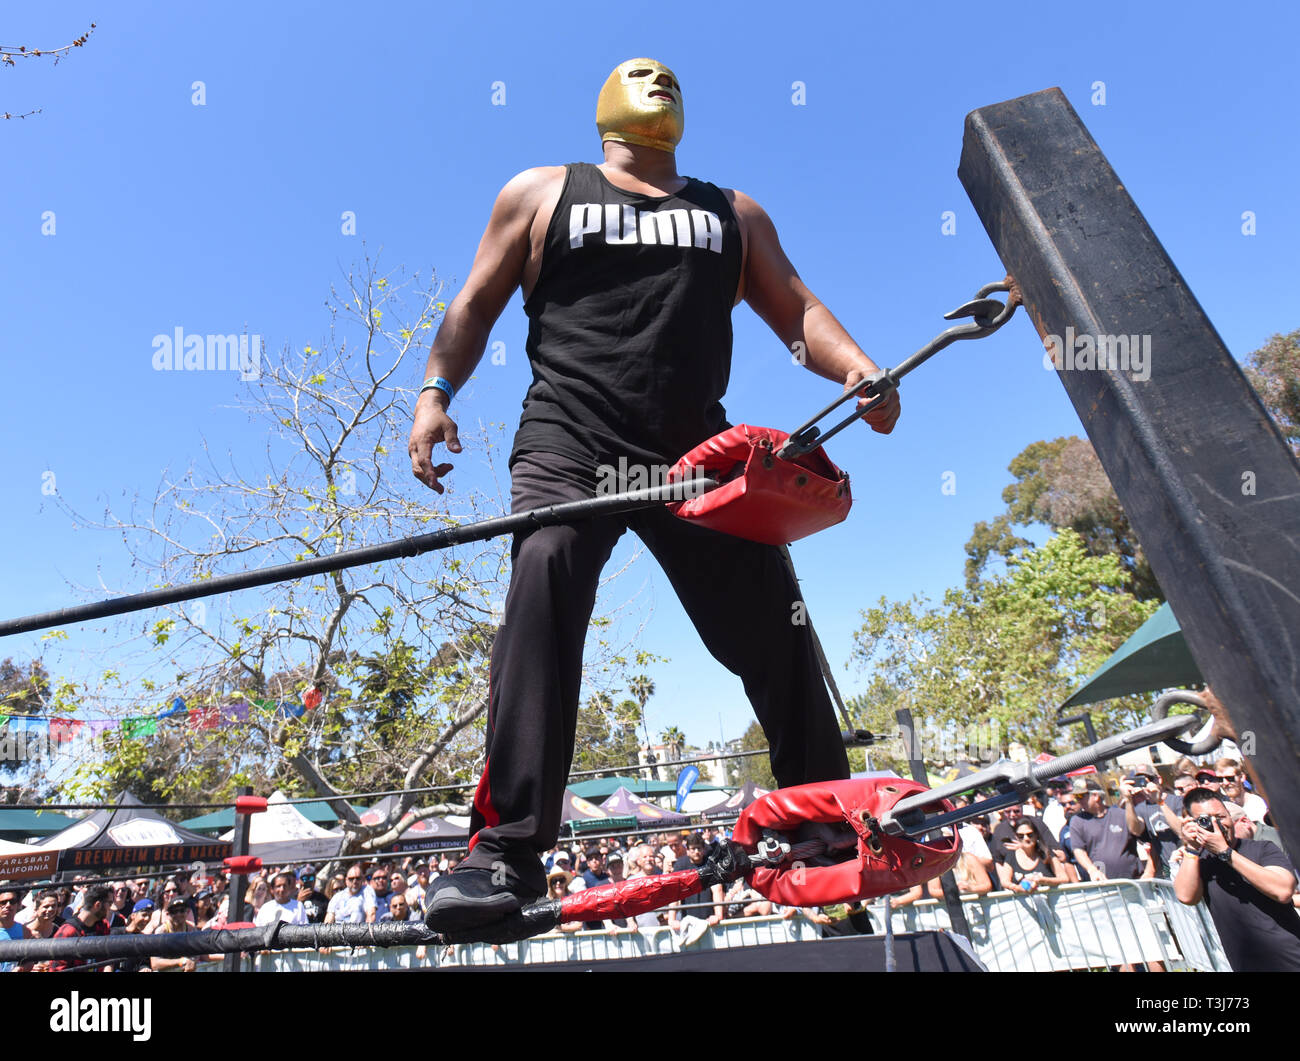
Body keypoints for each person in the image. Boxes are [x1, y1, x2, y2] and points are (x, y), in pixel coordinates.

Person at [411, 57, 899, 933]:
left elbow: (796, 310)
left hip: (693, 453)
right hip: (570, 440)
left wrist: (857, 367)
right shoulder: (539, 191)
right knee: (544, 576)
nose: (655, 78)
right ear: (604, 106)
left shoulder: (733, 212)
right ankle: (504, 852)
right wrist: (434, 392)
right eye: (637, 73)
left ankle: (824, 835)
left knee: (776, 621)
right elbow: (474, 304)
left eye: (669, 73)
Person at [1174, 787, 1300, 971]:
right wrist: (1191, 849)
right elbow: (1186, 897)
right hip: (1245, 964)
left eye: (1221, 817)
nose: (1217, 824)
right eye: (1206, 820)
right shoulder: (1200, 861)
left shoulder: (1262, 848)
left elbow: (1283, 891)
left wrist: (1225, 852)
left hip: (1290, 957)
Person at [997, 821, 1069, 894]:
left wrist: (1042, 880)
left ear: (1036, 835)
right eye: (1021, 836)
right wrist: (1016, 887)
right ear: (1016, 836)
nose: (1026, 838)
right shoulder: (1011, 855)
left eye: (1030, 835)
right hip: (1022, 899)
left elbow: (1064, 878)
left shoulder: (1046, 853)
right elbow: (1004, 881)